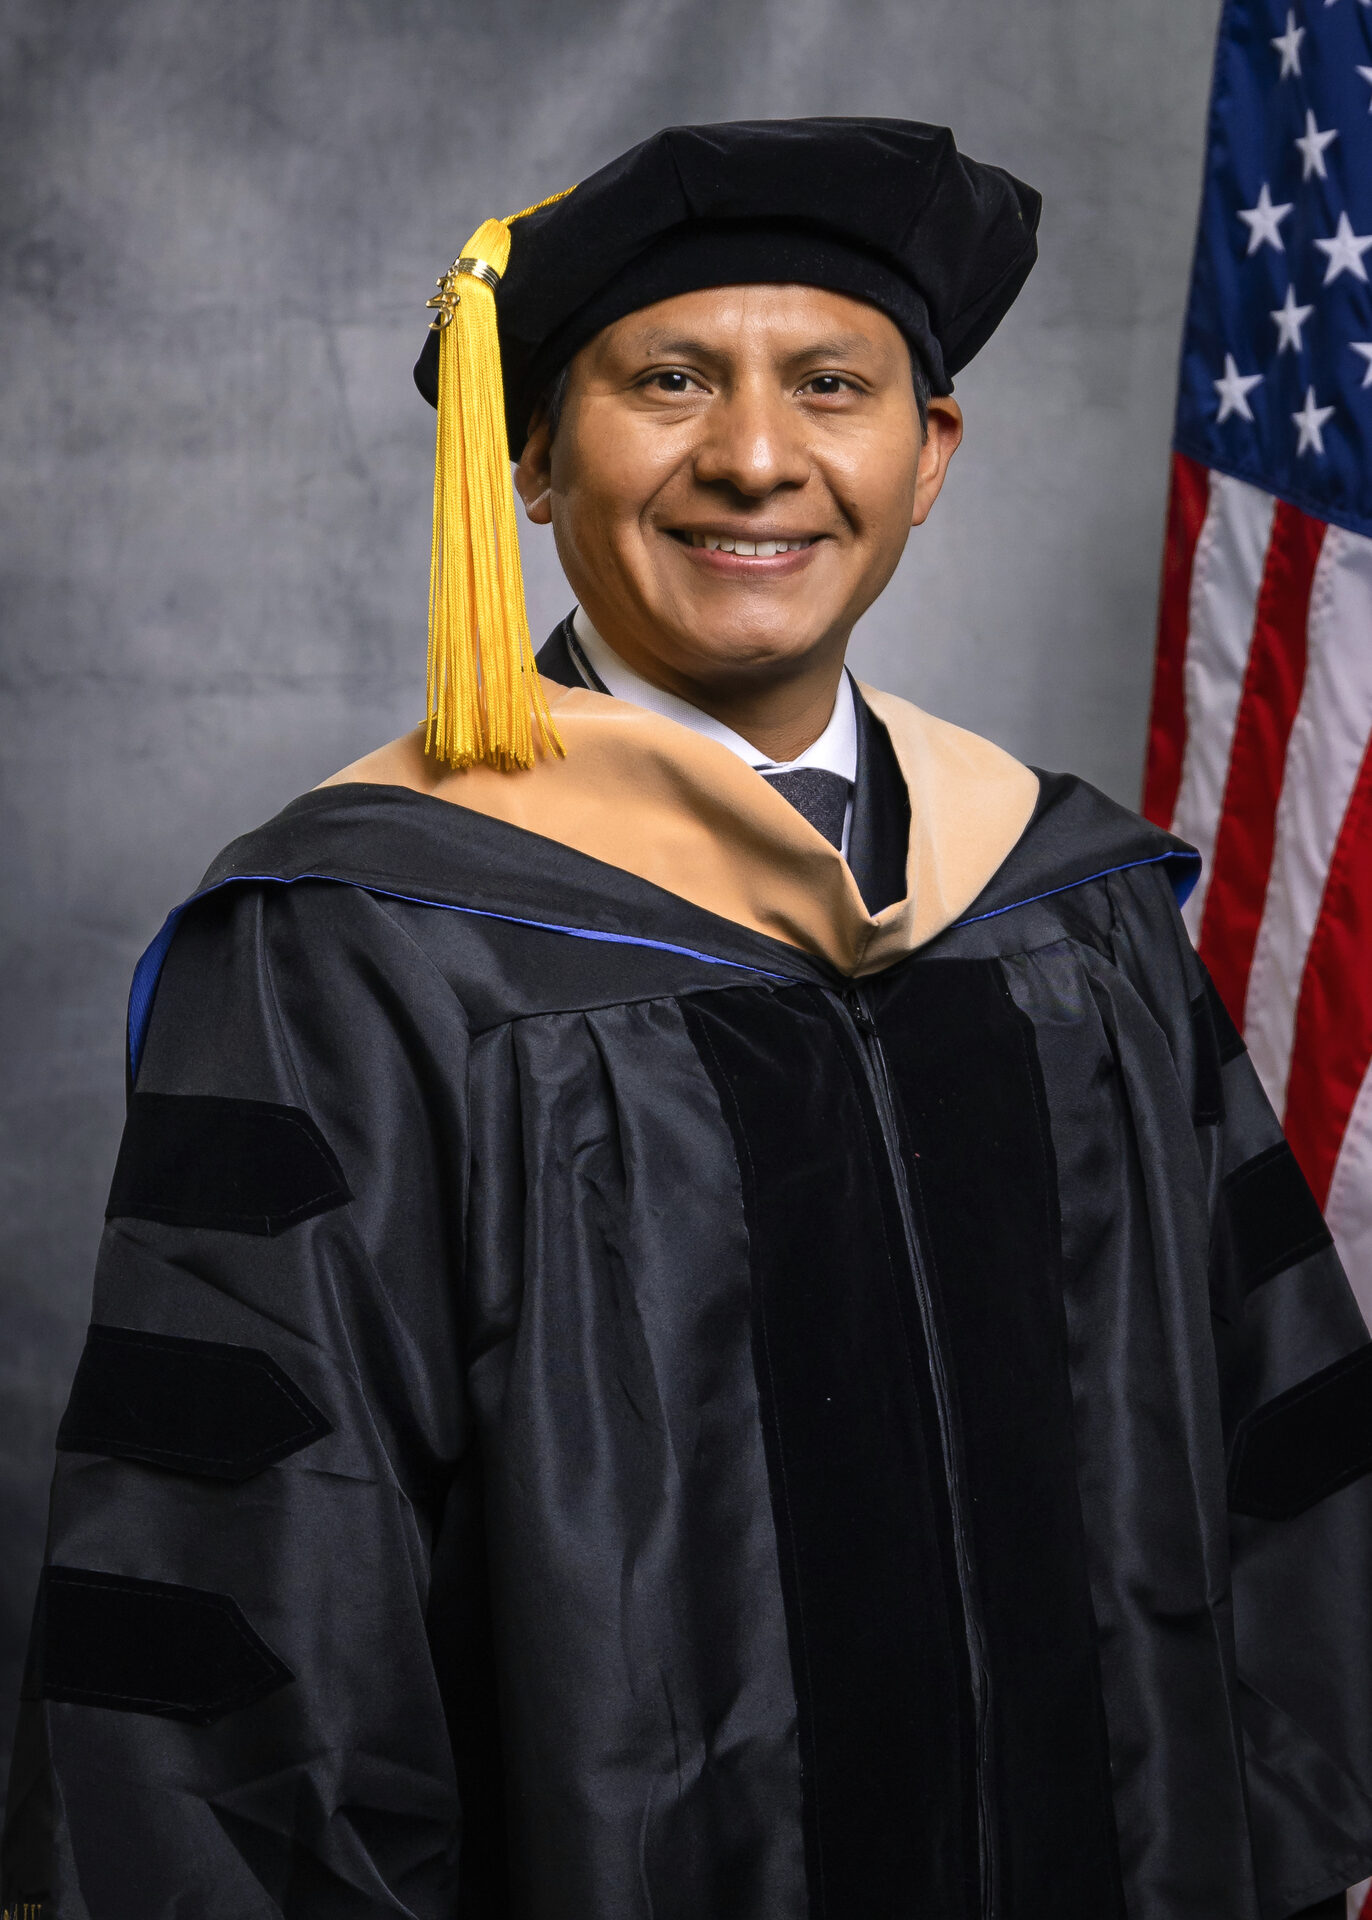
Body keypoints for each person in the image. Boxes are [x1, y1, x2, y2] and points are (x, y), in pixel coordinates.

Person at [4, 118, 1370, 1920]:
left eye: (831, 384)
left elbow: (1282, 1501)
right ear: (531, 463)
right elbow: (258, 1596)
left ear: (929, 455)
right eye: (668, 381)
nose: (755, 458)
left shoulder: (1068, 903)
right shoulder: (360, 946)